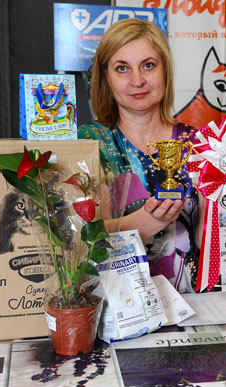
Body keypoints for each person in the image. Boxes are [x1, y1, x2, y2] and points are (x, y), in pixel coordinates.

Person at [78, 18, 202, 292]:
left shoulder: (200, 143)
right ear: (106, 77)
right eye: (122, 68)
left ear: (165, 70)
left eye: (148, 65)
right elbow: (82, 242)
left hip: (193, 300)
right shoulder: (89, 142)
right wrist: (148, 222)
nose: (137, 80)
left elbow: (210, 239)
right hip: (116, 302)